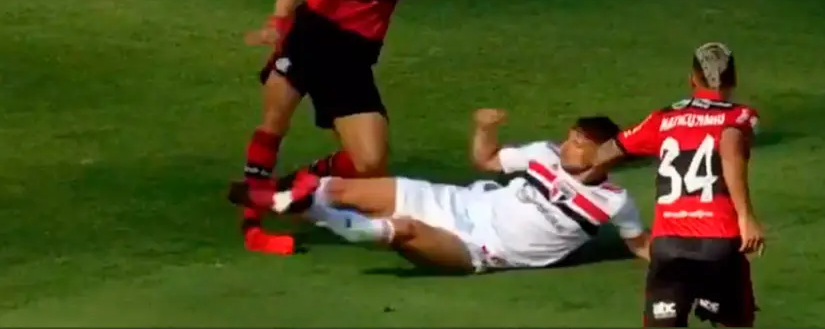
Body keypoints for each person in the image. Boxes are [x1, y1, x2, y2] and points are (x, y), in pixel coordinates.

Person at [237, 0, 448, 255]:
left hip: (353, 55)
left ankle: (294, 187)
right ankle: (253, 226)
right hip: (313, 36)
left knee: (370, 163)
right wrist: (277, 25)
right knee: (273, 123)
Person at [228, 109, 652, 273]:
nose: (566, 144)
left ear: (605, 154)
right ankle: (280, 199)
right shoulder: (542, 154)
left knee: (403, 230)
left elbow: (641, 246)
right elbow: (486, 162)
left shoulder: (613, 202)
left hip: (475, 247)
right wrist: (485, 129)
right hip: (455, 200)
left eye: (579, 142)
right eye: (570, 135)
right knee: (339, 187)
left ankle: (306, 208)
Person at [584, 42, 765, 327]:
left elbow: (609, 150)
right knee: (734, 322)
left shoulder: (663, 118)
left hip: (669, 245)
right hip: (718, 240)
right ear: (733, 78)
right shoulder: (740, 116)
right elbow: (729, 144)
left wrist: (586, 173)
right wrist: (746, 216)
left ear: (691, 79)